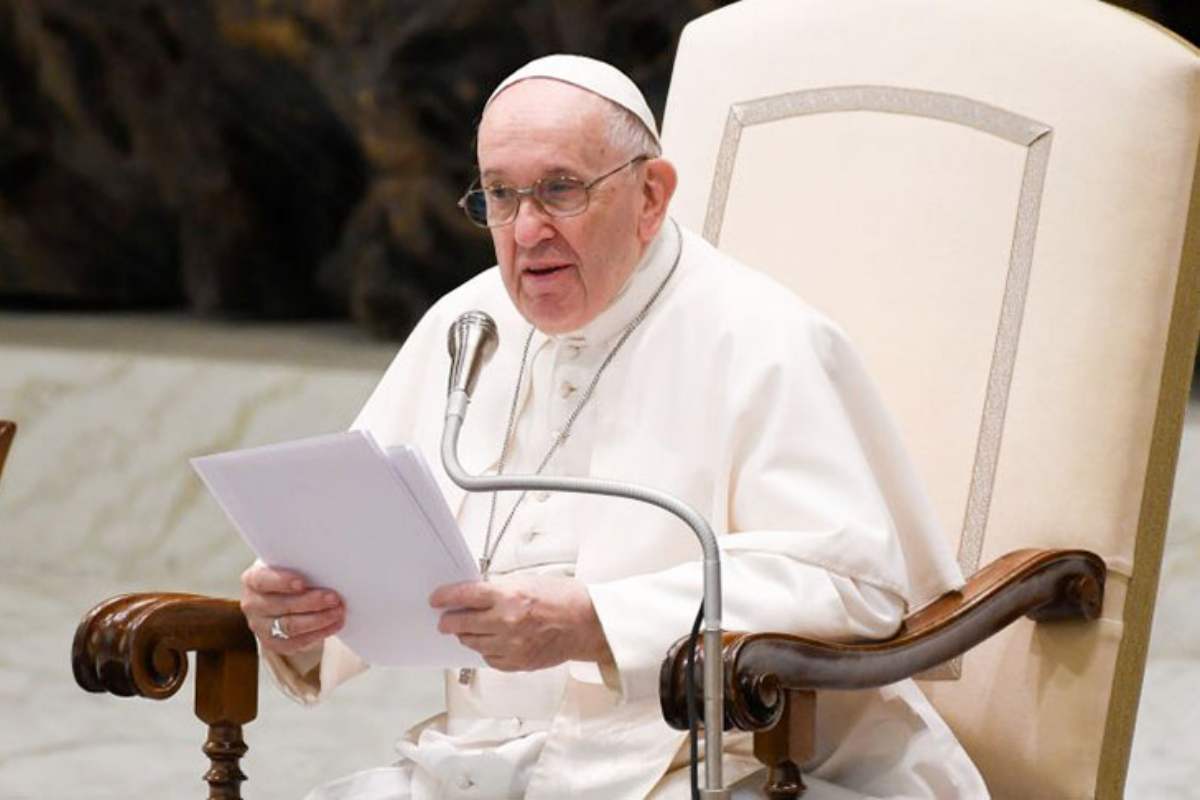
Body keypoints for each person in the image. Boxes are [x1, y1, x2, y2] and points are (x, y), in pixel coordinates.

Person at [239, 55, 989, 799]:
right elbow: (369, 557)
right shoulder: (465, 326)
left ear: (651, 195)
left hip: (728, 765)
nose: (526, 231)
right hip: (483, 767)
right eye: (500, 196)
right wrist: (295, 616)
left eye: (560, 190)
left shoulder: (762, 338)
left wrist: (599, 622)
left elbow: (852, 583)